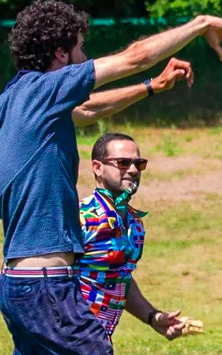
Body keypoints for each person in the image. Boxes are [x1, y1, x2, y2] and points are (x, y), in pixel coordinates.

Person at [0, 0, 222, 355]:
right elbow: (134, 57)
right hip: (46, 286)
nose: (84, 55)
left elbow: (87, 109)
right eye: (80, 48)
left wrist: (151, 87)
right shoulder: (44, 91)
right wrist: (199, 24)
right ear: (60, 54)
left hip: (18, 287)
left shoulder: (4, 107)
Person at [78, 133, 202, 345]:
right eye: (123, 163)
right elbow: (45, 272)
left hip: (96, 340)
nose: (133, 170)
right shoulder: (82, 217)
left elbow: (120, 279)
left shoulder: (134, 224)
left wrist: (152, 317)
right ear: (97, 167)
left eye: (139, 163)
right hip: (64, 337)